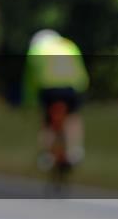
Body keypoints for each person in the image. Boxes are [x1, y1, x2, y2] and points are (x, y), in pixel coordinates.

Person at [22, 29, 89, 169]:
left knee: (47, 122)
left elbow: (30, 79)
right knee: (73, 117)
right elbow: (80, 69)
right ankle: (75, 150)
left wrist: (30, 100)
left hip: (49, 87)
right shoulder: (69, 45)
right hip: (72, 86)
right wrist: (82, 89)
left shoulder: (36, 50)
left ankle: (47, 155)